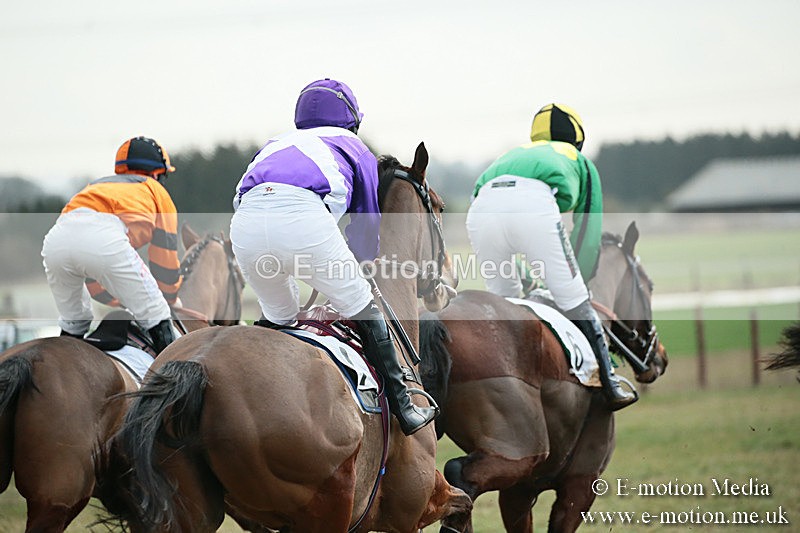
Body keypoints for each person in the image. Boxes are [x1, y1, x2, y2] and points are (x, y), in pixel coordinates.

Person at [230, 78, 436, 435]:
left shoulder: (274, 143)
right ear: (352, 118)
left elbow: (244, 197)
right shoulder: (355, 146)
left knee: (280, 318)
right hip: (301, 220)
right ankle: (405, 406)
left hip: (244, 224)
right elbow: (366, 223)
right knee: (362, 304)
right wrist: (360, 260)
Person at [465, 103, 637, 411]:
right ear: (577, 140)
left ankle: (503, 384)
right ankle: (609, 382)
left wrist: (524, 273)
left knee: (506, 303)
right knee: (575, 298)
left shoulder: (513, 154)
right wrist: (575, 282)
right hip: (531, 205)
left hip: (480, 209)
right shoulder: (580, 161)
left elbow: (488, 206)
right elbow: (586, 229)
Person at [42, 136, 181, 354]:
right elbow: (164, 258)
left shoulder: (96, 186)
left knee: (75, 321)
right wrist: (171, 298)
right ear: (157, 173)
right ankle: (177, 383)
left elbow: (92, 272)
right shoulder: (155, 190)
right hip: (103, 239)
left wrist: (117, 298)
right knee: (155, 310)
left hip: (56, 241)